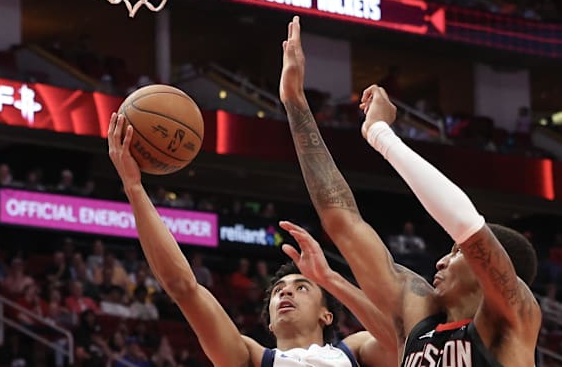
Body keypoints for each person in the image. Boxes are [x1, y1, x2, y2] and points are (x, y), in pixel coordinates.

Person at [278, 16, 540, 366]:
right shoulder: (419, 314)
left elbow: (466, 223)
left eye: (457, 253)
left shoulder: (513, 318)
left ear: (491, 269)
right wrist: (295, 102)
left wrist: (380, 135)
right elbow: (343, 222)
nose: (442, 260)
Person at [107, 111, 396, 366]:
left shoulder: (353, 352)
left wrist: (330, 279)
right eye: (278, 290)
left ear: (327, 315)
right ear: (269, 322)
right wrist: (134, 189)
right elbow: (183, 287)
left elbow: (403, 344)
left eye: (302, 287)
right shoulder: (251, 358)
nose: (285, 292)